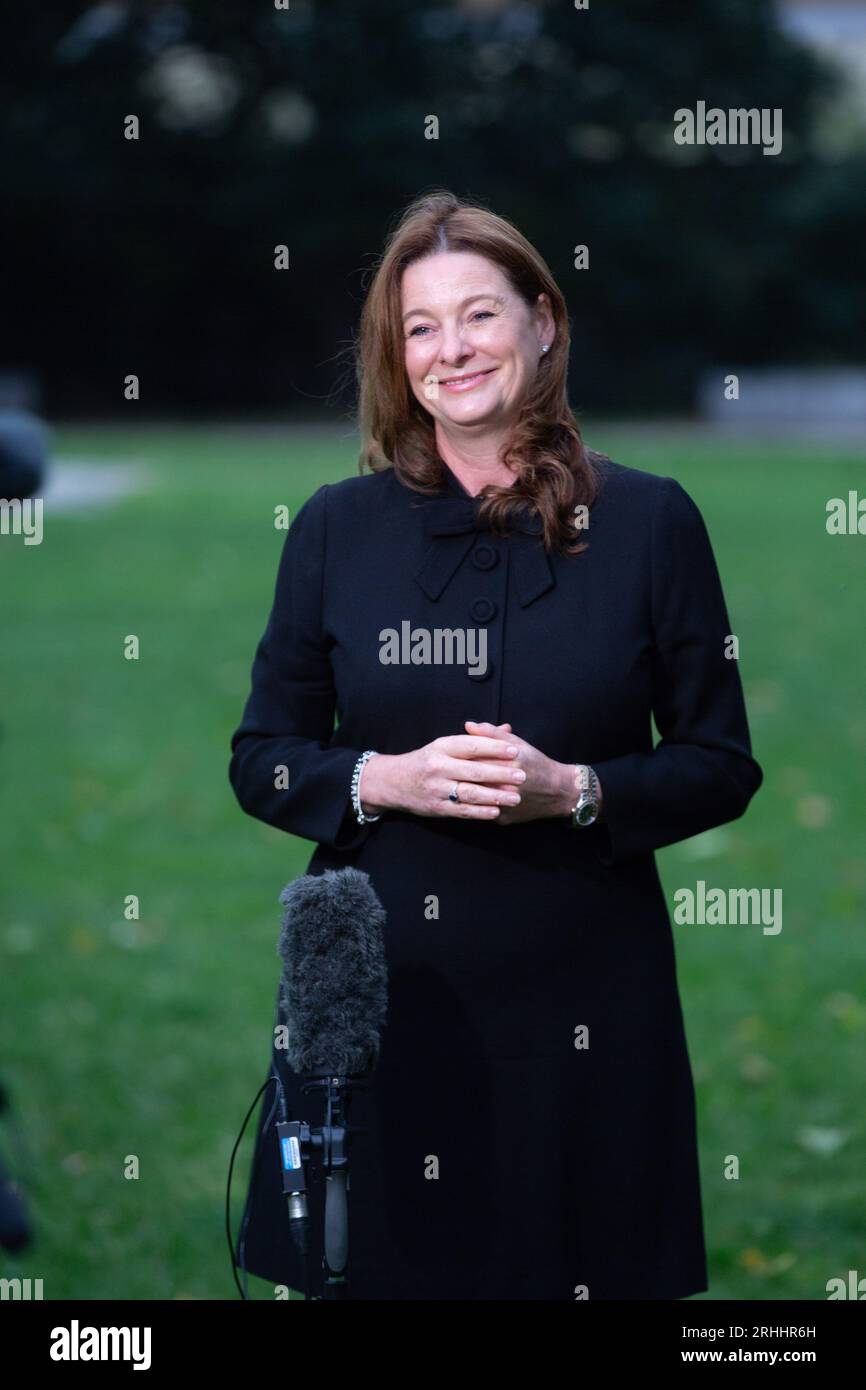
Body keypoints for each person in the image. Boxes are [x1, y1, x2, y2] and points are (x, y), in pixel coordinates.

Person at [228, 189, 763, 1300]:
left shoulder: (652, 521)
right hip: (382, 1002)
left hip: (588, 1003)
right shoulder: (332, 525)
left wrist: (575, 791)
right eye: (419, 326)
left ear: (542, 322)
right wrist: (383, 777)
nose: (450, 349)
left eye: (478, 315)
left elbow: (719, 760)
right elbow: (262, 755)